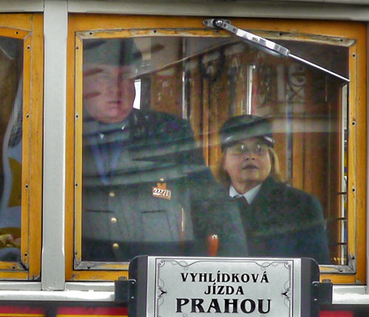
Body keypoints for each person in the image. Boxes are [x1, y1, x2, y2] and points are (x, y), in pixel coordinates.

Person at [77, 39, 246, 262]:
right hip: (82, 276)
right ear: (81, 80)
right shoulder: (63, 131)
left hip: (157, 278)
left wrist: (233, 272)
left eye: (126, 76)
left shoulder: (167, 132)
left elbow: (213, 206)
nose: (117, 88)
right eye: (104, 76)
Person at [215, 113, 330, 262]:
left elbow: (316, 271)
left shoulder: (302, 206)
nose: (250, 156)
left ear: (271, 158)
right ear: (224, 161)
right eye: (240, 148)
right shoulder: (208, 206)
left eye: (259, 149)